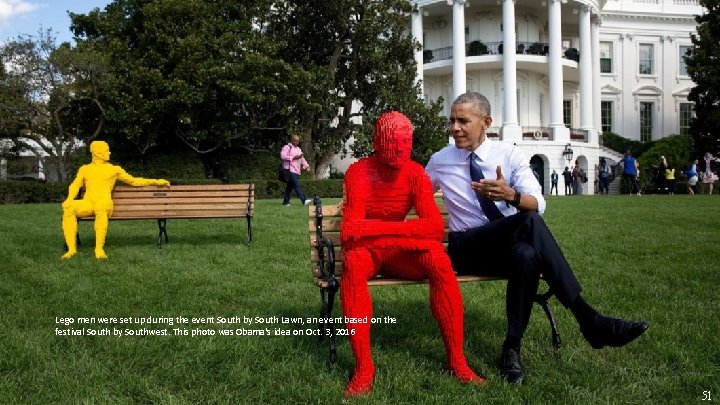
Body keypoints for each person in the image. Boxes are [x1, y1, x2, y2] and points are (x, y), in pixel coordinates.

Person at [425, 92, 648, 385]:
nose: (454, 127)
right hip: (466, 248)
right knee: (528, 223)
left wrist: (511, 195)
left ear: (486, 123)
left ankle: (511, 350)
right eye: (452, 120)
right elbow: (413, 193)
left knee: (527, 255)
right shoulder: (441, 160)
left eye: (463, 121)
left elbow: (538, 203)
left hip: (504, 247)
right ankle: (588, 319)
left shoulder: (509, 154)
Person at [340, 111, 484, 396]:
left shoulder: (415, 173)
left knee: (439, 262)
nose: (399, 150)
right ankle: (364, 367)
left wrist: (379, 231)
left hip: (392, 252)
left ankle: (457, 360)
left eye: (405, 143)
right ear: (377, 142)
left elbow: (433, 226)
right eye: (392, 142)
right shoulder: (359, 172)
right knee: (354, 264)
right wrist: (405, 230)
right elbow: (350, 230)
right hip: (369, 254)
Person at [61, 141, 170, 259]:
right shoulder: (85, 169)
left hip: (104, 203)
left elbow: (134, 181)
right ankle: (71, 249)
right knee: (69, 208)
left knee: (100, 207)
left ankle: (99, 249)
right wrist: (69, 198)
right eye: (106, 150)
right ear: (97, 153)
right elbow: (75, 185)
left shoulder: (114, 169)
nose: (109, 152)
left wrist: (156, 181)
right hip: (88, 203)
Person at [280, 135, 312, 206]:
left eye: (297, 141)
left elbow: (302, 158)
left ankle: (285, 202)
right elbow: (282, 156)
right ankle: (304, 200)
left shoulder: (298, 149)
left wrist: (306, 166)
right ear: (291, 140)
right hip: (289, 170)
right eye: (295, 140)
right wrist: (294, 157)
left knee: (289, 187)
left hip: (296, 170)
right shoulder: (287, 147)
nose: (296, 142)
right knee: (296, 185)